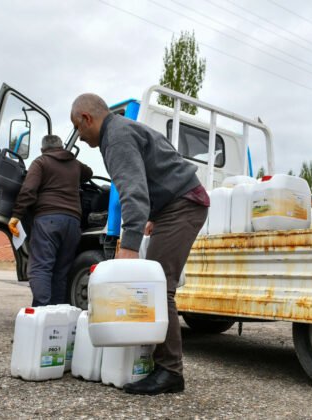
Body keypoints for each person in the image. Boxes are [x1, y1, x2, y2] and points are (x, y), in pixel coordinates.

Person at [70, 93, 209, 395]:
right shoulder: (122, 128)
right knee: (156, 287)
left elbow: (133, 191)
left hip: (184, 205)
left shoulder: (115, 138)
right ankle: (158, 365)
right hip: (179, 204)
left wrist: (129, 245)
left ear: (87, 118)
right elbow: (161, 161)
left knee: (160, 288)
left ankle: (170, 372)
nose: (79, 137)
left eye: (77, 128)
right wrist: (156, 213)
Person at [8, 134, 92, 306]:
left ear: (42, 149)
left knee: (40, 268)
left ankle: (41, 311)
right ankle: (56, 316)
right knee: (61, 272)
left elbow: (28, 190)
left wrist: (16, 215)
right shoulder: (75, 164)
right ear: (62, 147)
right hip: (73, 223)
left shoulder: (41, 162)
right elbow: (88, 173)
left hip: (48, 221)